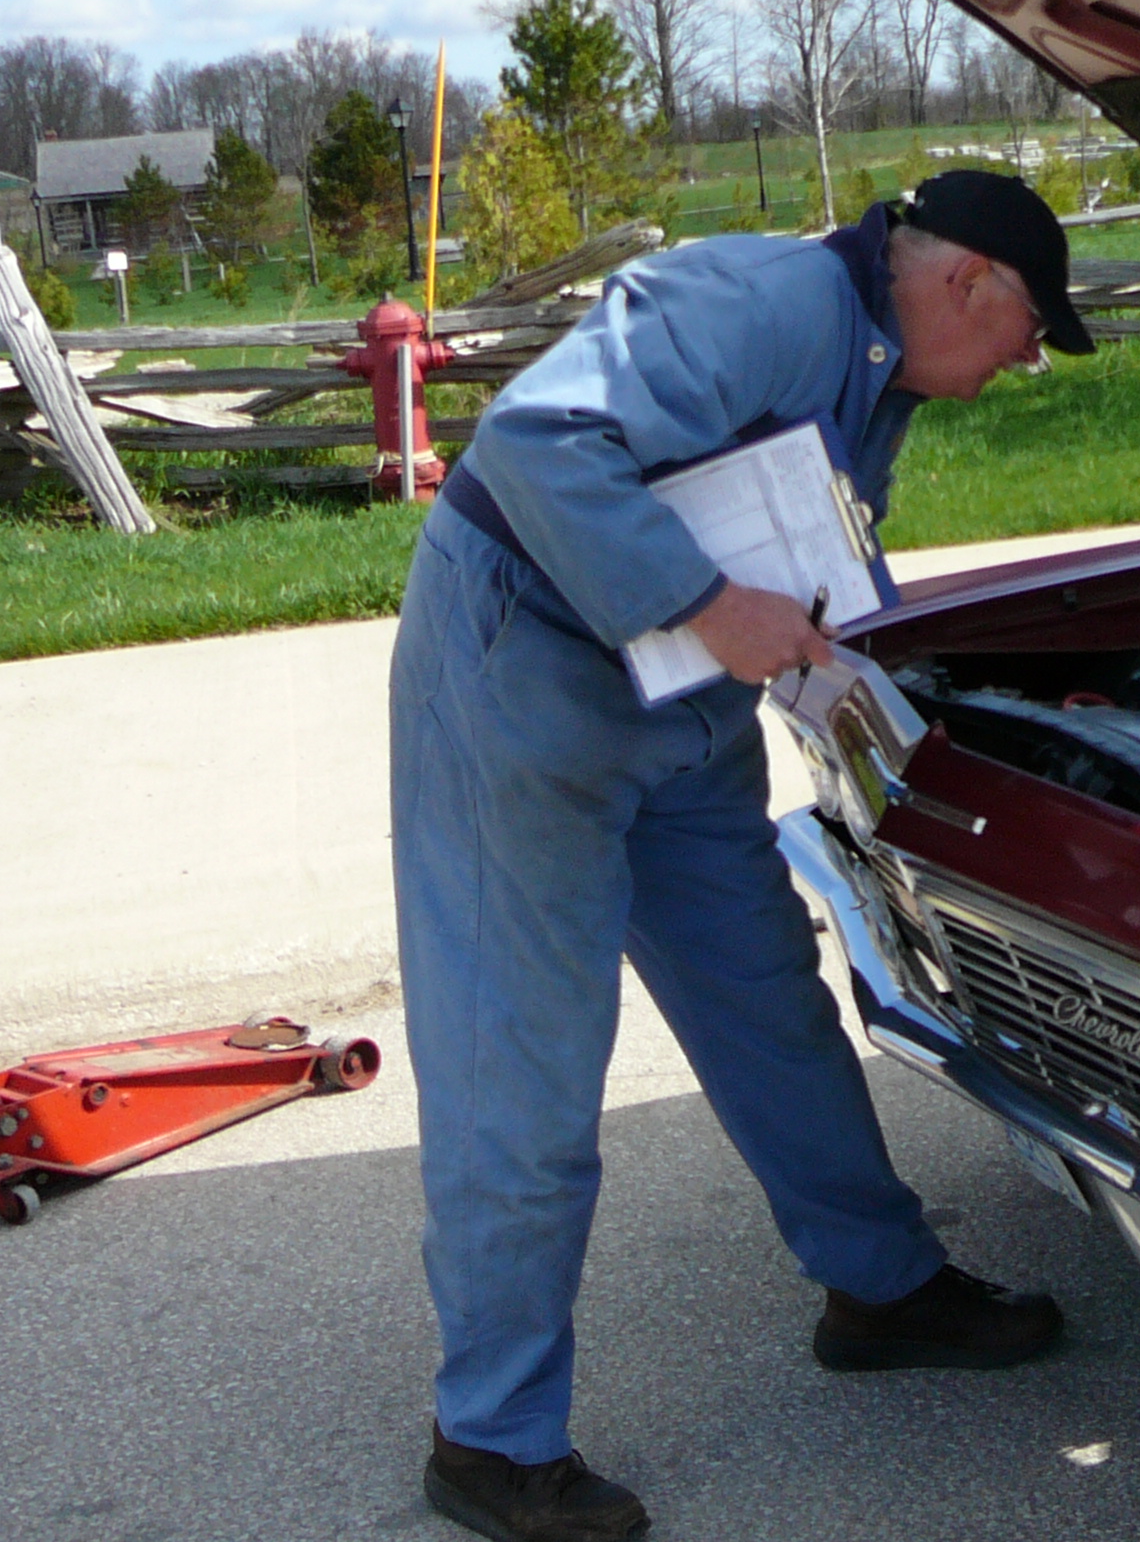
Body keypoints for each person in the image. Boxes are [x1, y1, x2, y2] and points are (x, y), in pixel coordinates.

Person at [391, 170, 1095, 1542]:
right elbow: (535, 443)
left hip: (676, 697)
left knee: (770, 999)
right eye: (1026, 328)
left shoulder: (878, 365)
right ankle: (490, 1438)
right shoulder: (768, 300)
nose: (1024, 359)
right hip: (521, 681)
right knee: (522, 1065)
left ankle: (881, 1291)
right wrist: (713, 608)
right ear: (966, 283)